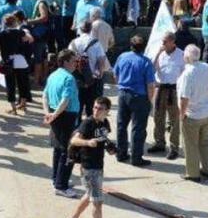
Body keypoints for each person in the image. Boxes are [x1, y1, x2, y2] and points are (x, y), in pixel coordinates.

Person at [65, 95, 119, 218]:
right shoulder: (88, 123)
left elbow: (103, 140)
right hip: (89, 167)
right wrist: (87, 142)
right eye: (95, 107)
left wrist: (110, 149)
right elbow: (74, 140)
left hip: (98, 165)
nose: (96, 111)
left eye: (100, 109)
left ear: (107, 111)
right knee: (97, 202)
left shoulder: (105, 124)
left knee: (89, 195)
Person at [113, 36, 157, 167]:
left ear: (130, 45)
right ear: (143, 47)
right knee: (138, 128)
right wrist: (150, 100)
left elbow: (116, 74)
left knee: (121, 125)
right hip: (139, 97)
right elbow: (150, 84)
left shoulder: (122, 57)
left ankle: (121, 153)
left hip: (123, 93)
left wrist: (121, 86)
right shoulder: (146, 62)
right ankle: (136, 158)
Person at [44, 49, 81, 197]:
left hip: (56, 114)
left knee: (58, 149)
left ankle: (57, 178)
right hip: (66, 116)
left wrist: (48, 113)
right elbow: (65, 100)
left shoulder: (53, 75)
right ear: (65, 62)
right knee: (68, 151)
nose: (75, 64)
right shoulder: (69, 78)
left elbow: (44, 95)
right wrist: (54, 114)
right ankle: (61, 186)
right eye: (73, 61)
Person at [177, 45, 208, 182]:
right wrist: (207, 103)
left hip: (192, 114)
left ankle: (193, 174)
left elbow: (184, 97)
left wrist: (182, 114)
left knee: (190, 145)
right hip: (206, 113)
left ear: (187, 57)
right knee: (205, 143)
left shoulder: (188, 73)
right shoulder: (206, 67)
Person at [150, 32, 185, 158]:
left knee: (174, 119)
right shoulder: (160, 54)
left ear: (172, 42)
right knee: (158, 116)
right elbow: (151, 69)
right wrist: (158, 53)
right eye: (162, 41)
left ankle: (174, 147)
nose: (163, 43)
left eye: (165, 41)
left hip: (174, 89)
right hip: (160, 88)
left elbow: (185, 72)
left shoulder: (181, 54)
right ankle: (159, 142)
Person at [69, 20, 107, 117]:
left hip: (77, 80)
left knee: (77, 107)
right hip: (93, 79)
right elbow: (101, 61)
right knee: (92, 109)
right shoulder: (96, 43)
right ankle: (90, 129)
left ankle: (77, 128)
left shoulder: (73, 43)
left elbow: (69, 59)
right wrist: (100, 74)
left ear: (80, 30)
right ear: (91, 30)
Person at [0, 14, 34, 115]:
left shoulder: (2, 34)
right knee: (23, 82)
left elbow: (0, 47)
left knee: (10, 85)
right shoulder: (20, 32)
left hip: (9, 60)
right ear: (14, 22)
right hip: (20, 60)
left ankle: (13, 109)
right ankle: (22, 104)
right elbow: (30, 39)